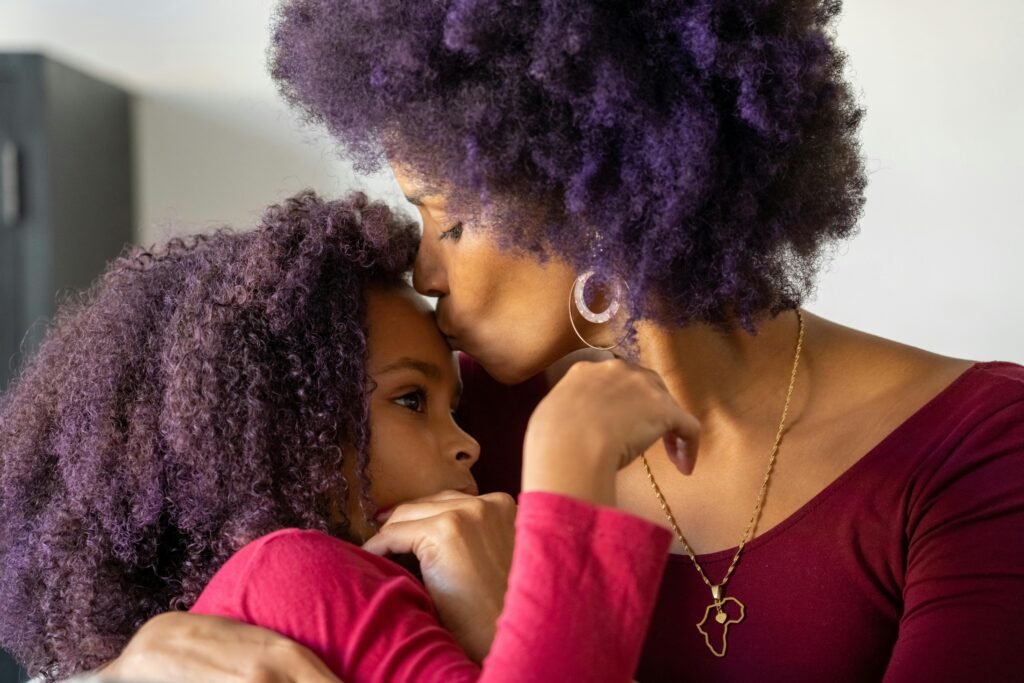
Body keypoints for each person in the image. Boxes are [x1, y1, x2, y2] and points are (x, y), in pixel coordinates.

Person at [104, 0, 1024, 681]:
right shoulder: (452, 437)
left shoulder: (978, 449)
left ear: (595, 199)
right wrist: (125, 670)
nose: (423, 272)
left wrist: (511, 623)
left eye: (445, 219)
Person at [0, 191, 693, 682]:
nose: (469, 444)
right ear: (284, 435)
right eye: (412, 399)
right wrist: (569, 472)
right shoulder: (297, 573)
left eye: (449, 216)